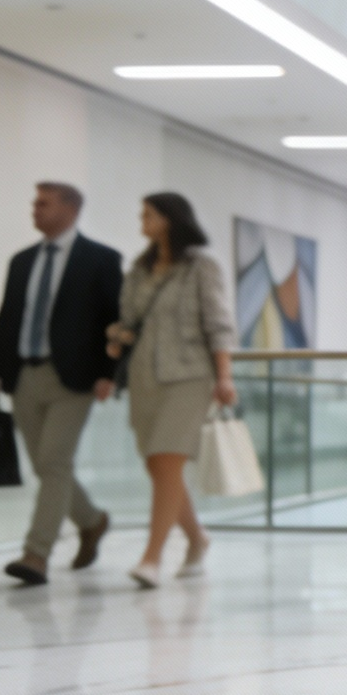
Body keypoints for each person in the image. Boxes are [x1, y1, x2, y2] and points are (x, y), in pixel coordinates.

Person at [0, 182, 123, 586]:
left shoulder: (100, 260)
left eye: (43, 203)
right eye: (34, 202)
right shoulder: (22, 261)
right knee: (47, 466)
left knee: (55, 462)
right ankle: (92, 521)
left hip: (74, 378)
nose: (35, 209)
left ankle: (36, 553)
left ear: (71, 208)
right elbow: (7, 317)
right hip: (24, 374)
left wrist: (107, 374)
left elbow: (113, 321)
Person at [106, 193, 236, 589]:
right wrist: (116, 336)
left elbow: (218, 323)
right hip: (145, 376)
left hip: (189, 376)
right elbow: (126, 318)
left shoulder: (201, 268)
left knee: (167, 462)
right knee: (157, 465)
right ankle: (197, 539)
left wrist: (224, 376)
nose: (141, 220)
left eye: (148, 214)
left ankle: (152, 557)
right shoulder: (140, 269)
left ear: (170, 218)